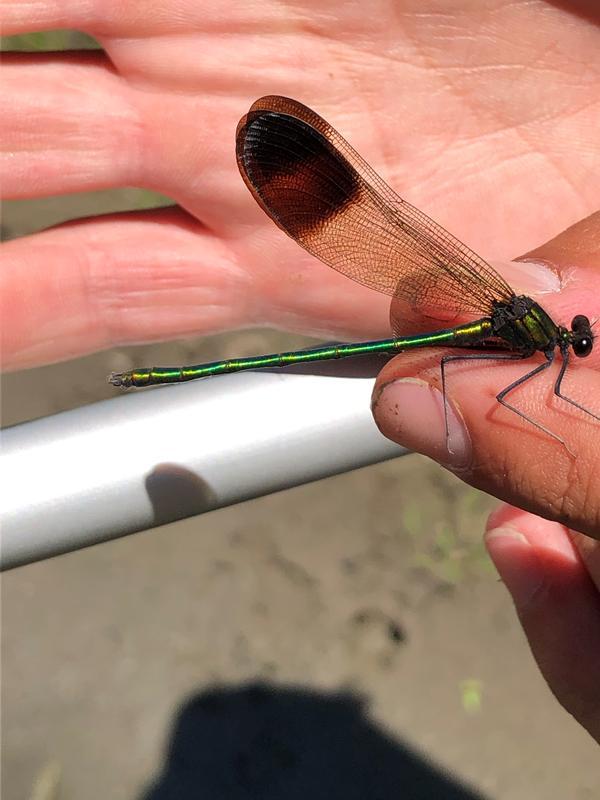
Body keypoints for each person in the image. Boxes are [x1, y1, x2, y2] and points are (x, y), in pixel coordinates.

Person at [3, 0, 599, 743]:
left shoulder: (530, 331)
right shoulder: (532, 343)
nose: (573, 338)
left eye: (574, 337)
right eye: (577, 336)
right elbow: (521, 395)